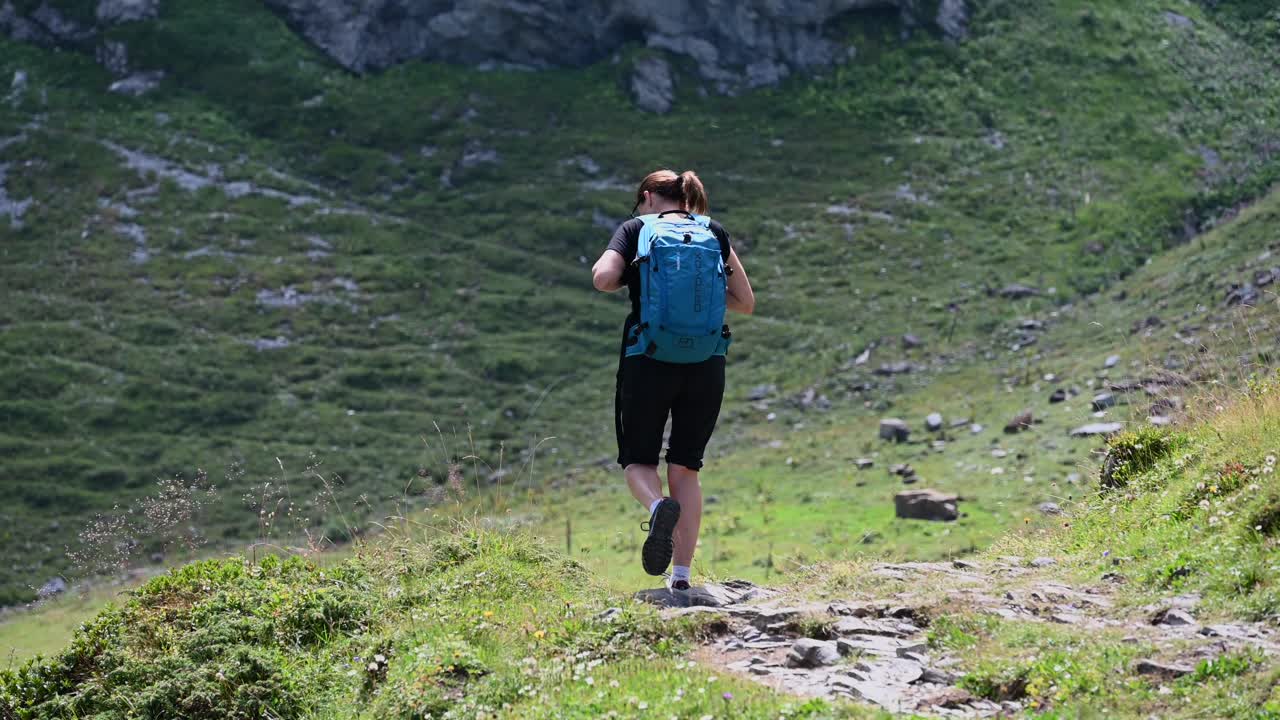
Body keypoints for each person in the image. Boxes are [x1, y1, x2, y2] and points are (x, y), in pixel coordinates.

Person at [591, 169, 755, 591]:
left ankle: (658, 505)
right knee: (686, 466)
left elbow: (603, 279)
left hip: (648, 359)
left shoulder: (636, 229)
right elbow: (745, 303)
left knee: (639, 460)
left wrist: (639, 272)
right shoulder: (713, 232)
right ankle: (681, 578)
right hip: (706, 362)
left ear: (647, 197)